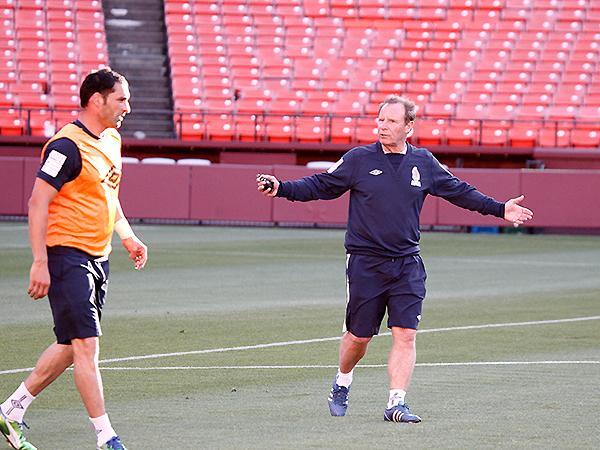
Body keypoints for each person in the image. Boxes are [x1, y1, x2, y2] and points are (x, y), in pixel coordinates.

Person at [256, 95, 533, 424]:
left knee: (406, 333)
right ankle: (342, 380)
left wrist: (500, 209)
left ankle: (396, 403)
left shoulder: (424, 162)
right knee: (359, 338)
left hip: (407, 263)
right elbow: (321, 185)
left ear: (408, 127)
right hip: (366, 263)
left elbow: (460, 191)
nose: (382, 126)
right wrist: (282, 188)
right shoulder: (358, 159)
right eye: (380, 119)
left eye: (391, 121)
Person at [0, 68, 147, 450]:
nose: (127, 107)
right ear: (97, 100)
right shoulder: (65, 146)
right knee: (86, 345)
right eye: (122, 99)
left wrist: (127, 235)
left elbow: (109, 195)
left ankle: (11, 410)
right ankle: (106, 437)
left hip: (99, 258)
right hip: (67, 255)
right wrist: (39, 261)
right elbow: (37, 202)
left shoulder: (112, 138)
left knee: (70, 345)